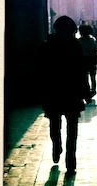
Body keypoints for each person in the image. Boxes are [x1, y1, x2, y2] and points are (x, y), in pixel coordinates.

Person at [38, 15, 90, 176]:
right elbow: (82, 70)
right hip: (70, 91)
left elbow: (42, 72)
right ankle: (69, 158)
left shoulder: (49, 45)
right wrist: (85, 91)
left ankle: (61, 150)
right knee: (71, 128)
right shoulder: (74, 45)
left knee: (56, 124)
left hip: (55, 92)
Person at [77, 23, 97, 101]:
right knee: (93, 76)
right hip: (91, 59)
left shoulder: (79, 41)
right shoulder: (92, 40)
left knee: (85, 77)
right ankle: (93, 90)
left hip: (82, 60)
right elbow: (95, 50)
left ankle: (87, 91)